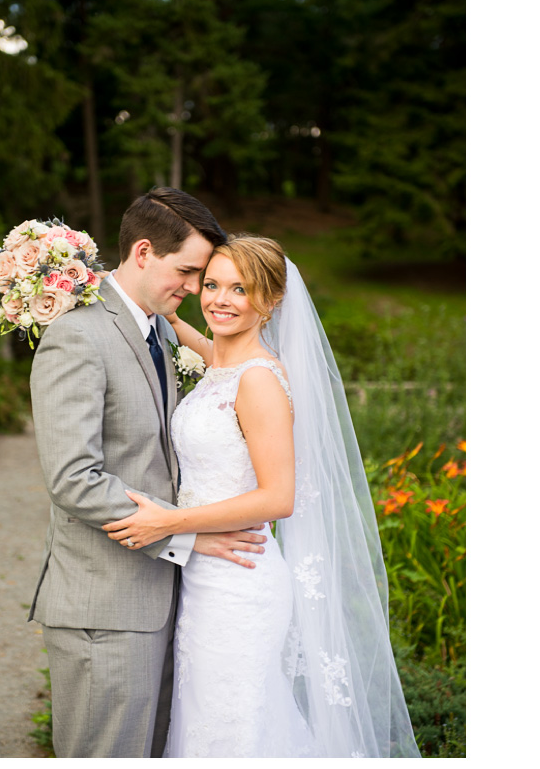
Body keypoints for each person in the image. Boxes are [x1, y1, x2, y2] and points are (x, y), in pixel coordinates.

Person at [103, 234, 421, 758]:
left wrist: (171, 523)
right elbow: (203, 347)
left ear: (271, 302)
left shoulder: (259, 382)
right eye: (211, 285)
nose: (219, 300)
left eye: (239, 290)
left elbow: (278, 498)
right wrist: (144, 305)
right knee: (208, 721)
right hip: (206, 580)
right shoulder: (224, 365)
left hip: (240, 584)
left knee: (235, 729)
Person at [26, 189, 271, 759]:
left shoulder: (159, 329)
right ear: (143, 252)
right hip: (104, 606)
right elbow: (72, 477)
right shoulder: (77, 334)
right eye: (188, 272)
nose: (194, 288)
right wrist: (187, 533)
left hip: (168, 600)